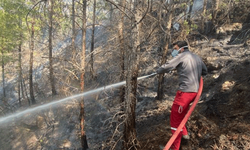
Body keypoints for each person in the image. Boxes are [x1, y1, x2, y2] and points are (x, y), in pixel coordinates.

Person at [156, 41, 207, 150]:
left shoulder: (181, 56)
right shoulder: (196, 57)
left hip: (184, 93)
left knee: (175, 121)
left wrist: (158, 71)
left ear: (181, 48)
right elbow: (205, 71)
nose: (174, 51)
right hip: (194, 93)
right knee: (181, 116)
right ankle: (185, 136)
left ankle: (174, 147)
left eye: (175, 48)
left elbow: (166, 67)